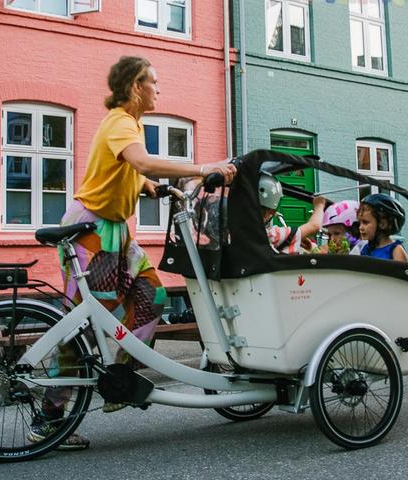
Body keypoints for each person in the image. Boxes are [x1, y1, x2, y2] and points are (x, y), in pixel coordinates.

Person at [30, 56, 236, 450]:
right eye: (153, 82)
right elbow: (139, 159)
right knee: (82, 328)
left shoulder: (129, 125)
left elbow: (126, 168)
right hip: (92, 233)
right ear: (135, 86)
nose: (159, 89)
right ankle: (49, 418)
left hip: (115, 231)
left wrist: (149, 186)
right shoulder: (121, 122)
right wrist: (200, 167)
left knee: (152, 294)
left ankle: (119, 377)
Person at [259, 173, 327, 254]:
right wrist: (319, 205)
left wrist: (293, 239)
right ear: (272, 210)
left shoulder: (244, 230)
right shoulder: (271, 235)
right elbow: (314, 225)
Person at [357, 193, 408, 262]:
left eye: (365, 222)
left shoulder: (396, 250)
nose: (360, 227)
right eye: (359, 223)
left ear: (383, 224)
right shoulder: (366, 249)